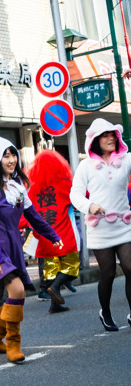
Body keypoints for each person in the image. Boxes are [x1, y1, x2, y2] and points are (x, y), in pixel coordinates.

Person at [0, 137, 62, 362]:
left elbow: (33, 216)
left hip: (13, 247)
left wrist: (53, 235)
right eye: (5, 155)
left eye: (13, 155)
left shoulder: (17, 186)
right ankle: (13, 344)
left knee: (14, 294)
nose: (11, 160)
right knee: (18, 291)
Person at [70, 119, 131, 331]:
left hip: (125, 225)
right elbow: (75, 194)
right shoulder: (86, 166)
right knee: (108, 274)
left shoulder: (126, 160)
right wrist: (90, 205)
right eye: (105, 135)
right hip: (100, 229)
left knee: (130, 267)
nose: (111, 138)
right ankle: (105, 312)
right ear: (95, 140)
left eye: (113, 134)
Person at [26, 149, 80, 315]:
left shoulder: (33, 188)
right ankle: (56, 287)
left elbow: (25, 211)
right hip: (63, 234)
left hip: (44, 237)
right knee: (72, 267)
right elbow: (80, 198)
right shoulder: (65, 183)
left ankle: (54, 305)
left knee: (50, 270)